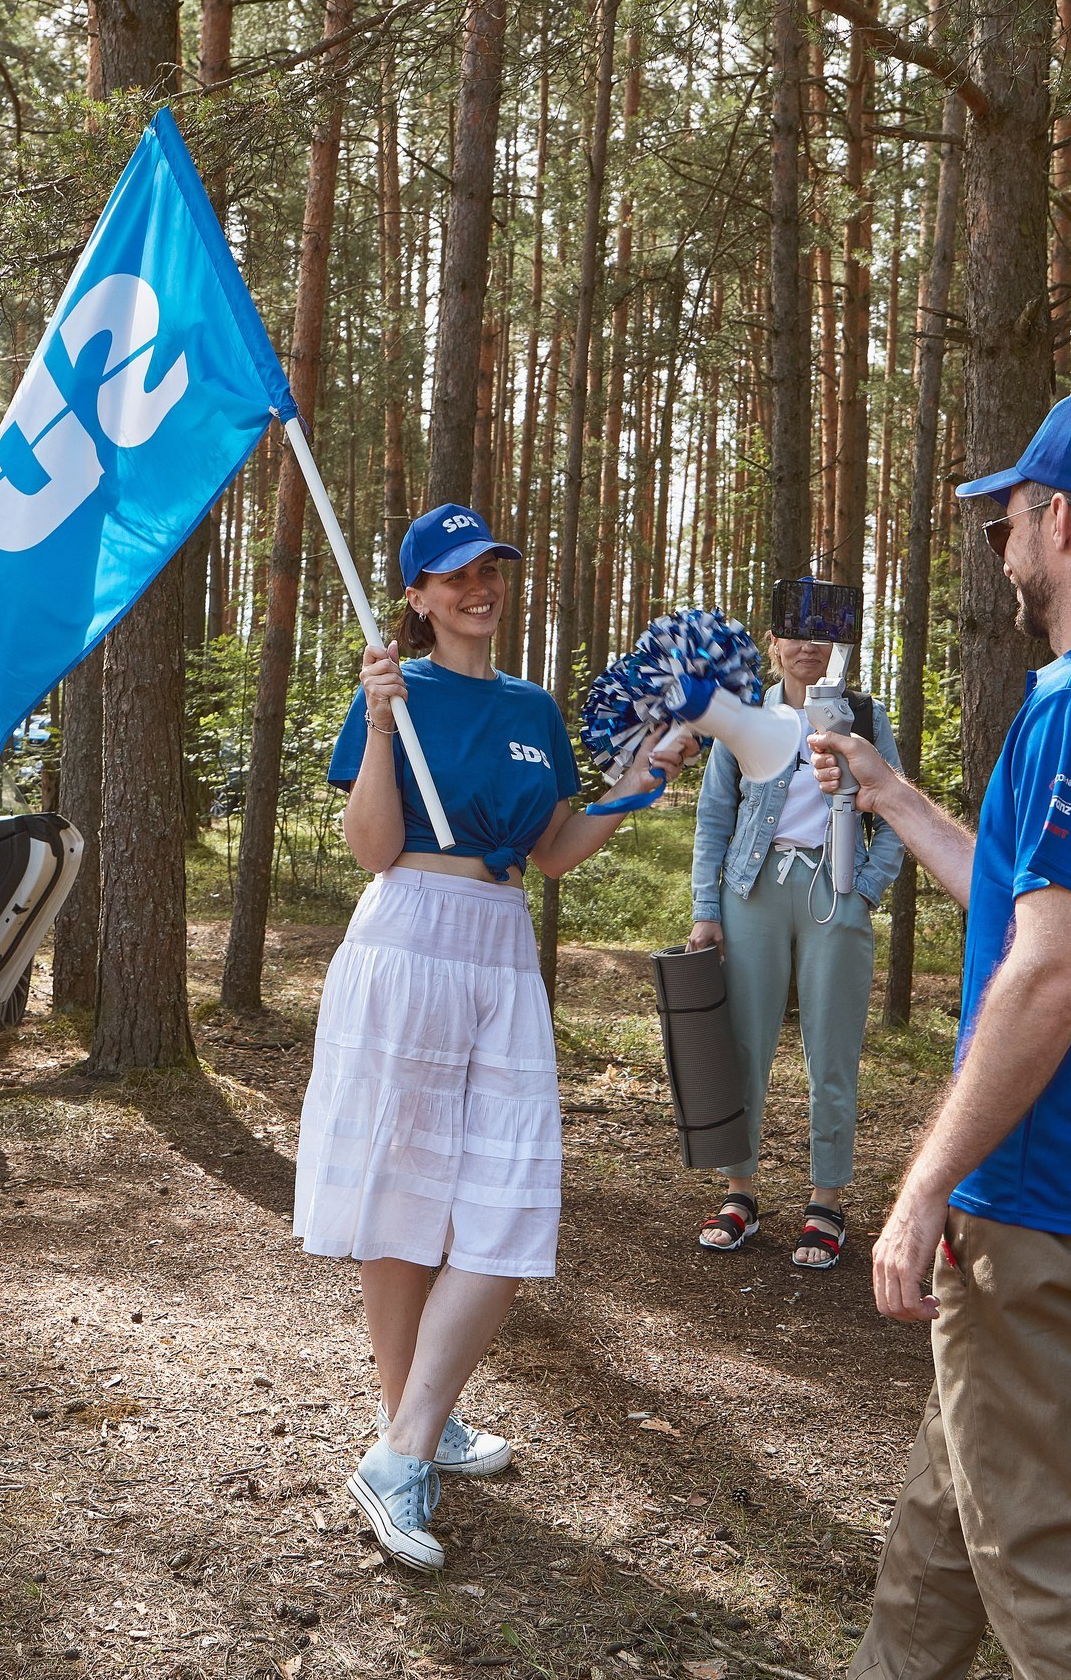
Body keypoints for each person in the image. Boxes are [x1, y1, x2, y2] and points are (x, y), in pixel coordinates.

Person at [807, 391, 1071, 1677]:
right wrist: (890, 797)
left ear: (1057, 522)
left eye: (1006, 517)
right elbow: (1029, 902)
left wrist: (924, 1183)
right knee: (955, 1502)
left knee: (1044, 1558)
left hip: (1050, 1194)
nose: (998, 542)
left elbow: (1050, 974)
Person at [299, 502, 692, 1573]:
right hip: (409, 934)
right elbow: (374, 846)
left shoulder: (532, 707)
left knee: (507, 1197)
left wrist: (639, 784)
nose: (481, 588)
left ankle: (405, 1436)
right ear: (418, 598)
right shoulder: (396, 691)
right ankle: (408, 1433)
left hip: (500, 940)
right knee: (404, 1192)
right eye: (457, 575)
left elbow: (556, 850)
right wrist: (378, 727)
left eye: (494, 570)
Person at [687, 625, 904, 1268]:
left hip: (834, 888)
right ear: (774, 644)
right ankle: (739, 1192)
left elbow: (891, 805)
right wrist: (706, 909)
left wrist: (866, 887)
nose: (808, 648)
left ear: (841, 651)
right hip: (751, 888)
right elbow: (716, 812)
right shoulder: (747, 715)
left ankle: (825, 1202)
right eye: (795, 636)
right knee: (744, 1045)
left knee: (831, 1051)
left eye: (824, 638)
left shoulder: (866, 717)